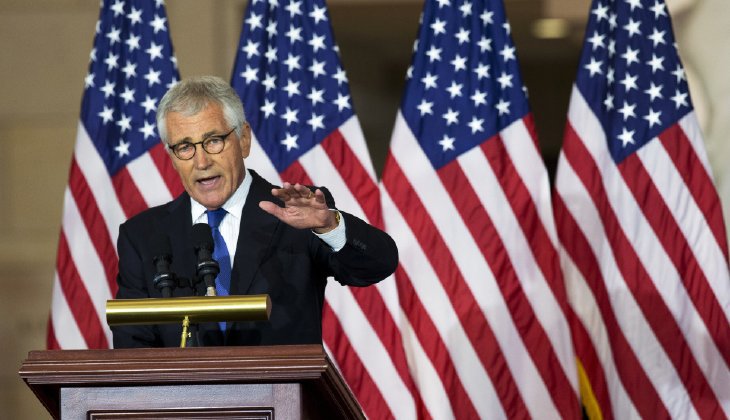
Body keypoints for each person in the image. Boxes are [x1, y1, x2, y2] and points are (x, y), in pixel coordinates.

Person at [112, 76, 398, 348]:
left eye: (214, 141)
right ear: (172, 157)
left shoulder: (297, 215)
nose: (201, 162)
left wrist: (329, 226)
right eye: (185, 147)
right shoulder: (142, 236)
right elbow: (132, 347)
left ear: (244, 139)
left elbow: (377, 265)